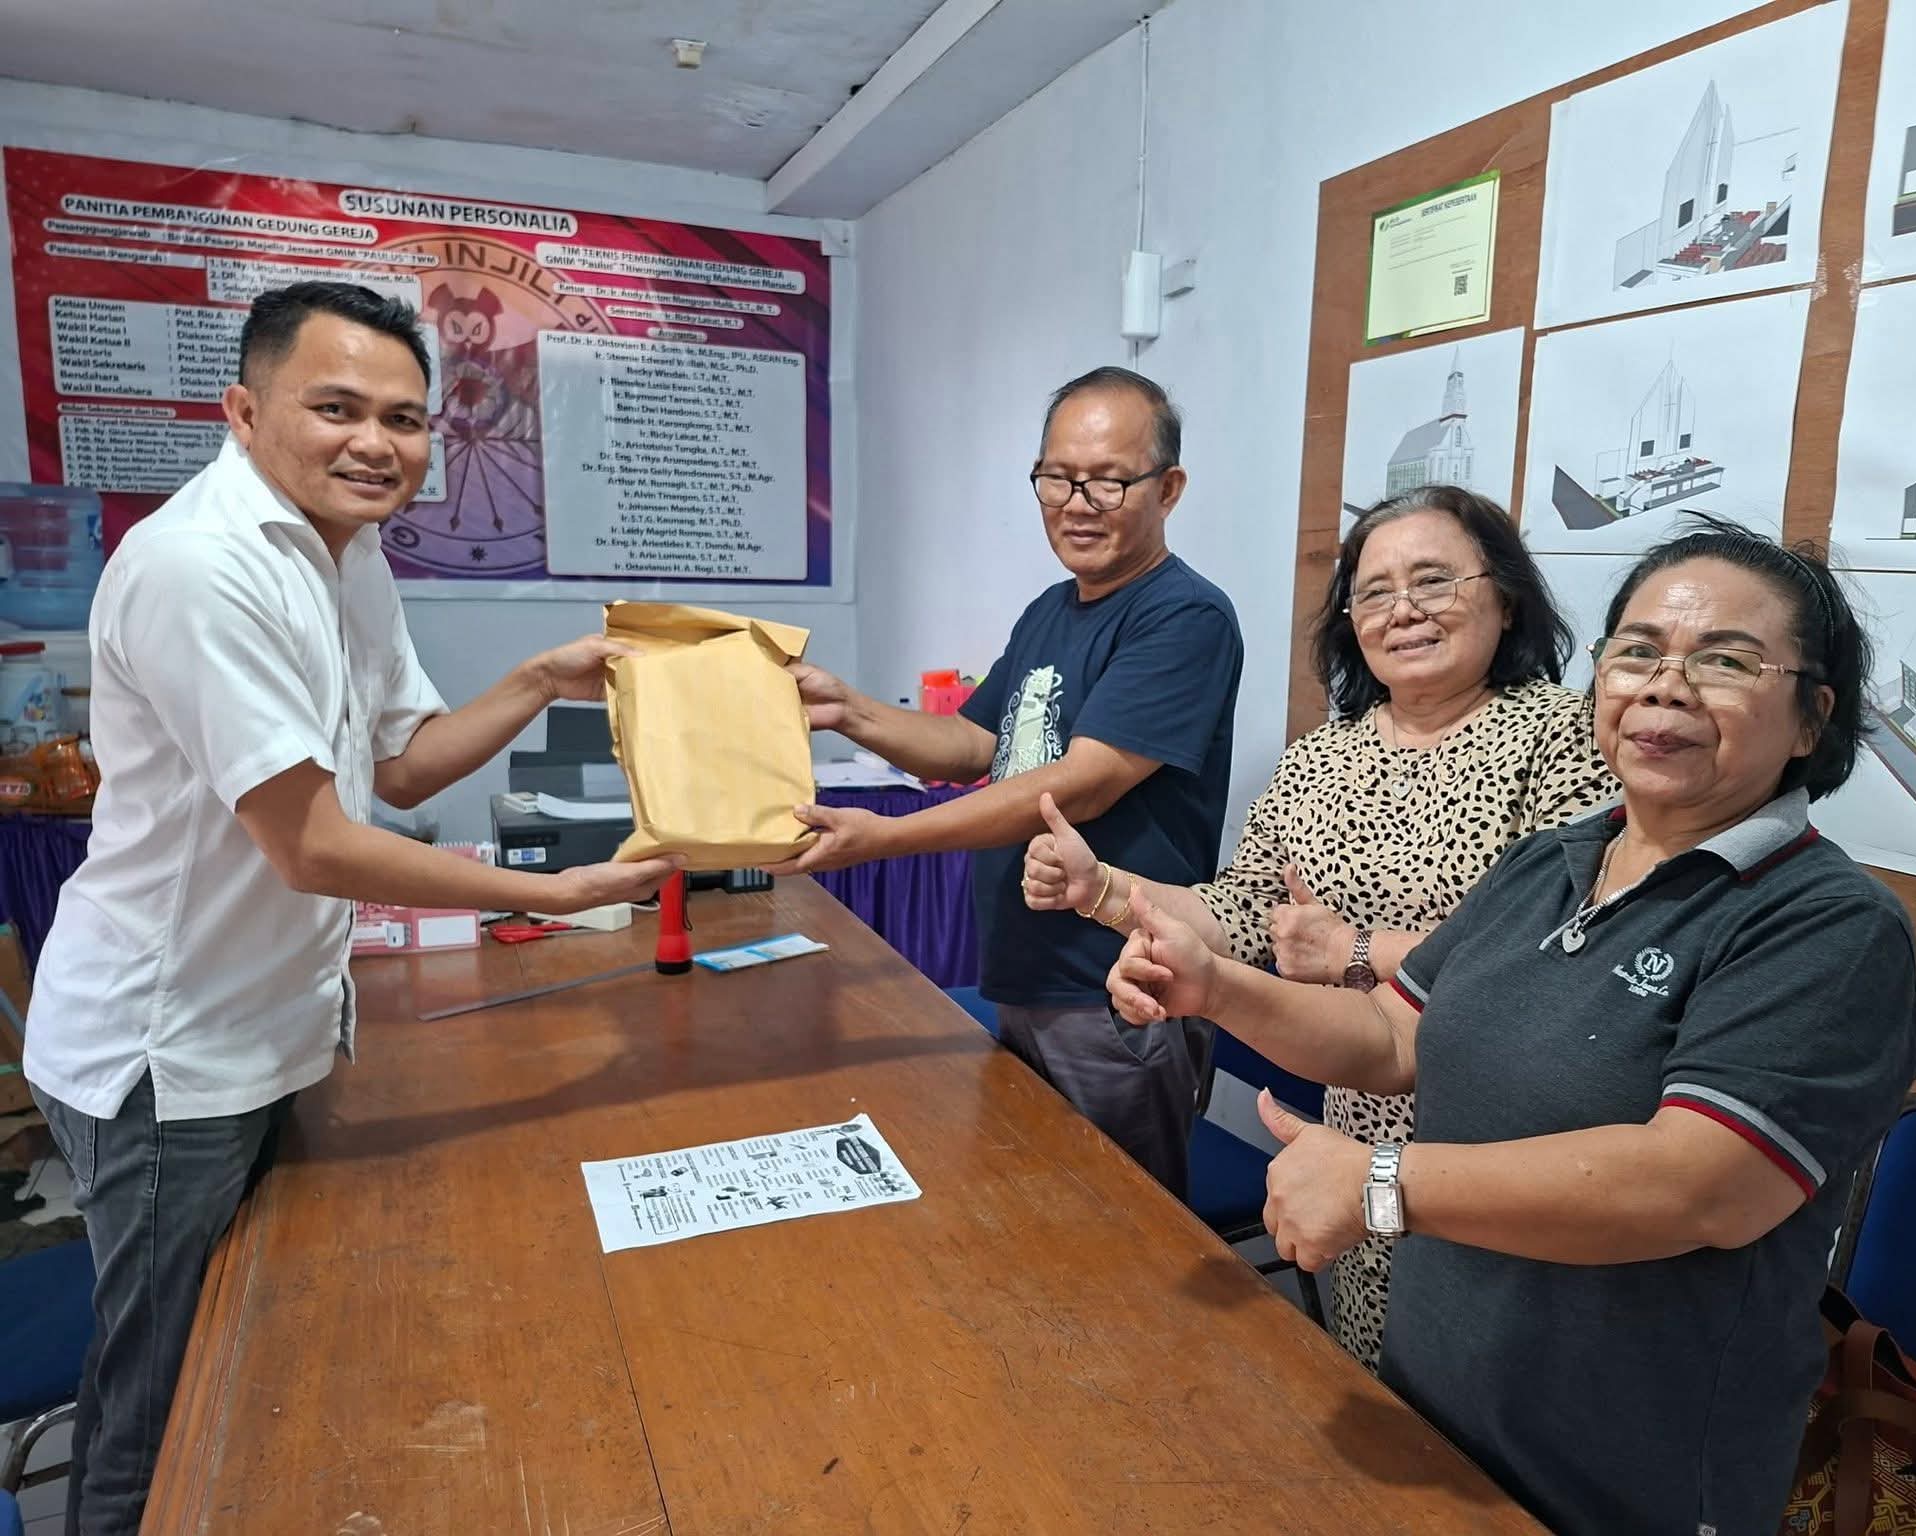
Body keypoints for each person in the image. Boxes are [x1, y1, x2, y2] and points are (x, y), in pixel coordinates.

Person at [1107, 516, 1916, 1536]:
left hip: (1622, 1469)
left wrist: (1378, 1183)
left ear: (1811, 717)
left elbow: (1699, 1184)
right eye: (1635, 651)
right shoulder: (1557, 861)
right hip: (1434, 1409)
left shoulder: (1826, 925)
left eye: (1722, 661)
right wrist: (1216, 987)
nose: (1664, 686)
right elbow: (1394, 1039)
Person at [25, 282, 678, 1536]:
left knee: (255, 1351)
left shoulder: (343, 545)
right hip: (170, 1054)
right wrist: (548, 892)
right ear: (244, 408)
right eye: (335, 408)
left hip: (262, 1026)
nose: (376, 443)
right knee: (161, 1393)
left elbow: (401, 761)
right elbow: (316, 842)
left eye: (404, 417)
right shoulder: (200, 566)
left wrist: (544, 675)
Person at [1020, 485, 1613, 1366]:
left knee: (1502, 1395)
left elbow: (1576, 949)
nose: (1402, 610)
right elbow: (1244, 912)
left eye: (1434, 580)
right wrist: (1101, 888)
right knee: (1381, 1392)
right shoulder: (1320, 757)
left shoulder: (1569, 738)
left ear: (1506, 596)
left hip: (1513, 1136)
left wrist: (1355, 952)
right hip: (1357, 1120)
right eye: (1373, 591)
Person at [770, 366, 1243, 1195]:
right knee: (1031, 1214)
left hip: (1113, 986)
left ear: (1168, 489)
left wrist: (887, 838)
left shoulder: (1184, 616)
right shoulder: (1051, 610)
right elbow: (967, 742)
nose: (1076, 502)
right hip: (1029, 971)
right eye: (1057, 477)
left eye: (1108, 481)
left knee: (1116, 1234)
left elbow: (1084, 783)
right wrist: (846, 706)